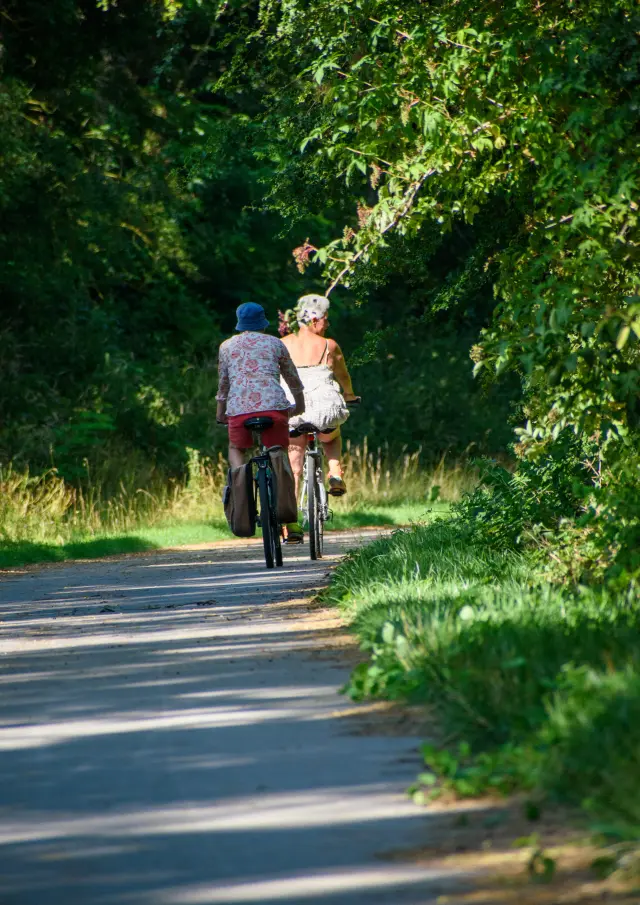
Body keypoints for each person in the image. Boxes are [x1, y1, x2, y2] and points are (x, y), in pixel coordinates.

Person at [216, 302, 306, 541]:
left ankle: (241, 502)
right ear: (262, 322)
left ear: (240, 323)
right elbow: (292, 377)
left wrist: (220, 411)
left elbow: (224, 384)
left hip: (238, 410)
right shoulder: (275, 343)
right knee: (278, 453)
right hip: (274, 408)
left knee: (236, 449)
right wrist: (300, 404)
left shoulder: (226, 347)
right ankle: (290, 519)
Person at [281, 294, 359, 499]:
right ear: (314, 320)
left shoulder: (282, 344)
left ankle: (290, 523)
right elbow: (343, 375)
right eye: (325, 319)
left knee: (294, 465)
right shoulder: (329, 345)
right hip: (324, 410)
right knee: (331, 437)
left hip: (292, 411)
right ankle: (334, 472)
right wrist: (349, 395)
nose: (327, 324)